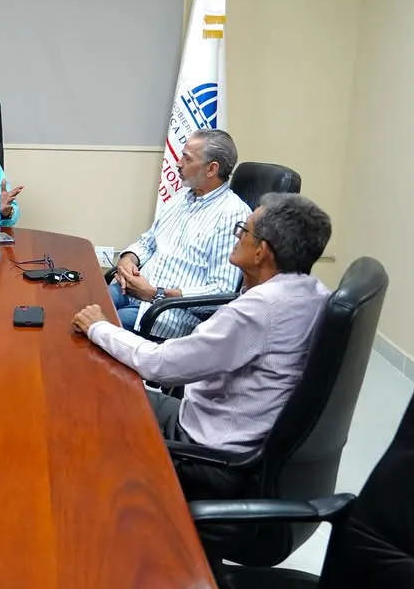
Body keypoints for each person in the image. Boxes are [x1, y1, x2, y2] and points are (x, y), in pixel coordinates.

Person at [72, 193, 333, 501]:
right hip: (232, 436)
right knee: (119, 392)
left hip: (207, 455)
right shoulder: (317, 294)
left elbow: (162, 366)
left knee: (91, 408)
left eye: (243, 231)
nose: (237, 236)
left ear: (262, 252)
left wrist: (99, 327)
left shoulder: (259, 310)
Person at [111, 129, 250, 338]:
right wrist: (127, 260)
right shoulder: (181, 197)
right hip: (132, 292)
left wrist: (154, 294)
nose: (178, 163)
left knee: (97, 325)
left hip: (167, 313)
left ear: (212, 169)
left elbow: (221, 291)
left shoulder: (233, 214)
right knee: (81, 305)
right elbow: (148, 242)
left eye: (187, 158)